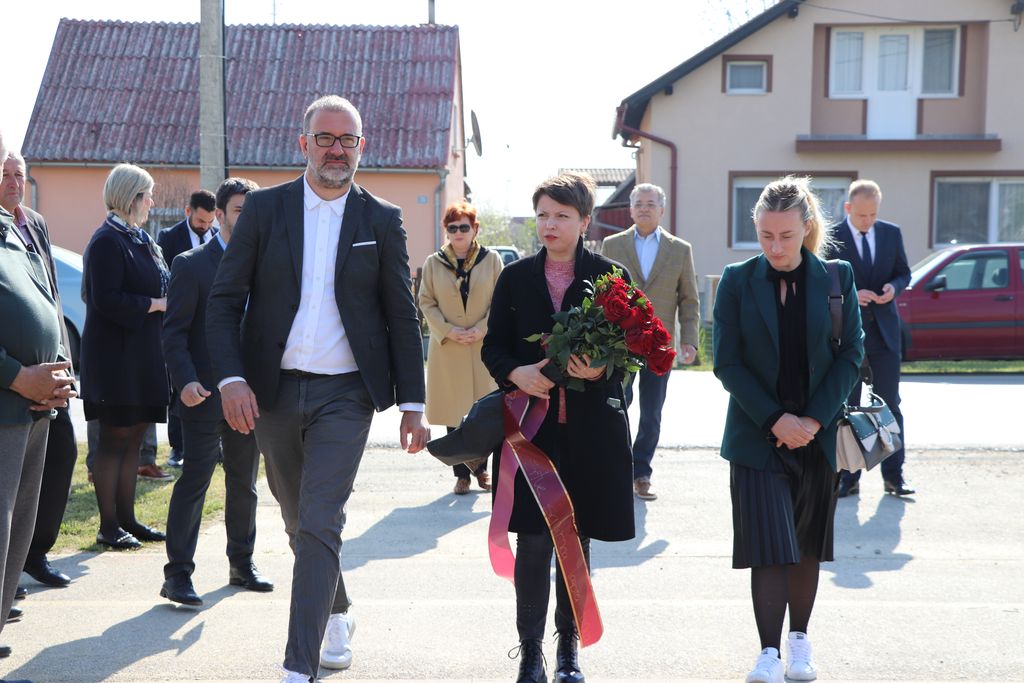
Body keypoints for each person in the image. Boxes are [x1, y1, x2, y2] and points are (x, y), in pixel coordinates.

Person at [206, 95, 428, 683]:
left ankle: (296, 667)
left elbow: (401, 314)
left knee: (322, 517)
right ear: (302, 144)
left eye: (347, 140)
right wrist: (230, 379)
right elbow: (225, 302)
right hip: (272, 391)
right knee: (297, 514)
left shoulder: (380, 218)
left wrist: (413, 403)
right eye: (326, 138)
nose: (337, 149)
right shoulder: (265, 211)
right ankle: (337, 611)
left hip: (347, 394)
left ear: (362, 148)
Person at [481, 173, 635, 683]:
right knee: (532, 539)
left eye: (562, 215)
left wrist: (604, 367)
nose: (550, 224)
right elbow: (493, 345)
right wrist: (515, 372)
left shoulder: (610, 276)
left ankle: (568, 650)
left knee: (578, 537)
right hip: (532, 432)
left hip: (590, 432)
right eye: (543, 214)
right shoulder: (515, 276)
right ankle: (530, 653)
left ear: (585, 221)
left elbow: (631, 350)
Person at [713, 177, 864, 683]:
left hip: (818, 437)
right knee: (767, 546)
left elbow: (851, 357)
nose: (775, 247)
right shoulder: (736, 279)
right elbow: (726, 362)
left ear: (806, 228)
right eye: (765, 235)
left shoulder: (838, 277)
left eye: (785, 235)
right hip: (757, 437)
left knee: (805, 545)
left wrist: (813, 420)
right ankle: (768, 653)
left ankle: (800, 643)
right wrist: (776, 419)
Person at [161, 178, 272, 606]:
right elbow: (173, 334)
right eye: (241, 210)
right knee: (197, 480)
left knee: (244, 482)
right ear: (221, 214)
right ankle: (178, 575)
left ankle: (242, 564)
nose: (247, 218)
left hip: (249, 397)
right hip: (203, 394)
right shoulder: (191, 265)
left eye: (252, 210)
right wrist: (185, 381)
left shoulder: (266, 266)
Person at [0, 128, 75, 666]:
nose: (11, 183)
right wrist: (15, 375)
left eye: (16, 173)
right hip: (7, 402)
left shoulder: (22, 231)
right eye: (3, 173)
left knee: (18, 528)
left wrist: (57, 375)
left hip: (36, 406)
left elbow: (48, 305)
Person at [80, 163, 170, 551]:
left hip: (143, 355)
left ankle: (128, 518)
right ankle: (108, 525)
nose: (152, 201)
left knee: (134, 439)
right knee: (113, 441)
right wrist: (154, 304)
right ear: (132, 197)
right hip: (116, 359)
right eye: (148, 194)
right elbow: (106, 299)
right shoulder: (106, 241)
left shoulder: (137, 238)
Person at [600, 182, 700, 500]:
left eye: (651, 203)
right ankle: (617, 465)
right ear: (630, 209)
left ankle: (642, 472)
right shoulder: (612, 245)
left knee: (652, 410)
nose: (644, 207)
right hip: (621, 342)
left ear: (661, 208)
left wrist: (691, 340)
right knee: (619, 403)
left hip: (659, 343)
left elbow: (689, 299)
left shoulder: (680, 249)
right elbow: (601, 294)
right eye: (638, 203)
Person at [828, 180, 913, 498]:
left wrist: (895, 287)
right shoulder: (833, 235)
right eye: (862, 214)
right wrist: (852, 293)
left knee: (891, 405)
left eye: (873, 214)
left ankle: (895, 477)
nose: (867, 220)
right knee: (848, 407)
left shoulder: (891, 233)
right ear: (848, 208)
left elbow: (903, 271)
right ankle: (847, 479)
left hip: (885, 334)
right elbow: (826, 277)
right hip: (848, 334)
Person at [418, 200, 503, 495]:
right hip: (448, 348)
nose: (458, 233)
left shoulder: (491, 261)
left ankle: (483, 468)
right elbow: (426, 301)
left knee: (486, 412)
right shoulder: (433, 262)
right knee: (454, 413)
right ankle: (463, 475)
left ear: (475, 229)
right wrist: (447, 330)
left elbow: (501, 301)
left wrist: (481, 329)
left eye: (463, 227)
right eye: (452, 228)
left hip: (483, 347)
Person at [158, 188, 218, 470]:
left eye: (209, 223)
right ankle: (177, 447)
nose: (204, 227)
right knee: (179, 389)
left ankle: (215, 446)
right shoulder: (168, 239)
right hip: (182, 317)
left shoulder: (217, 238)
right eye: (200, 221)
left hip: (208, 322)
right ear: (188, 212)